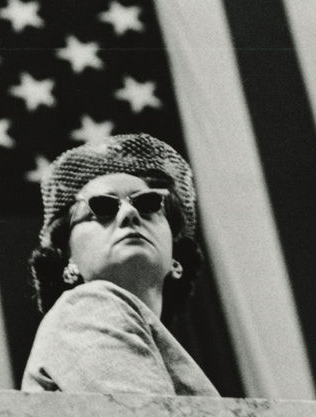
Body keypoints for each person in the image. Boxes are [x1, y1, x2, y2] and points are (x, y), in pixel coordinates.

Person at [21, 133, 219, 396]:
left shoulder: (149, 339)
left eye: (149, 203)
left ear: (175, 257)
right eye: (102, 207)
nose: (129, 213)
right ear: (67, 258)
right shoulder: (86, 306)